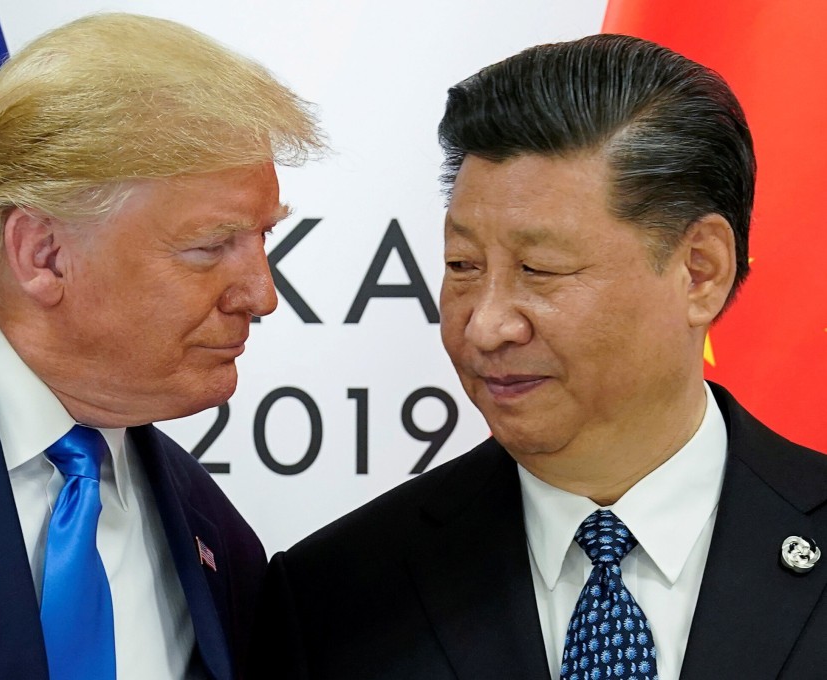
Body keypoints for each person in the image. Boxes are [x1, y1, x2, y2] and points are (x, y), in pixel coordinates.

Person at [250, 34, 827, 680]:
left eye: (539, 269)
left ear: (699, 271)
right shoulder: (335, 598)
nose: (486, 325)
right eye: (463, 266)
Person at [0, 13, 321, 680]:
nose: (261, 294)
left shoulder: (218, 538)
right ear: (43, 253)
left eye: (263, 238)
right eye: (211, 246)